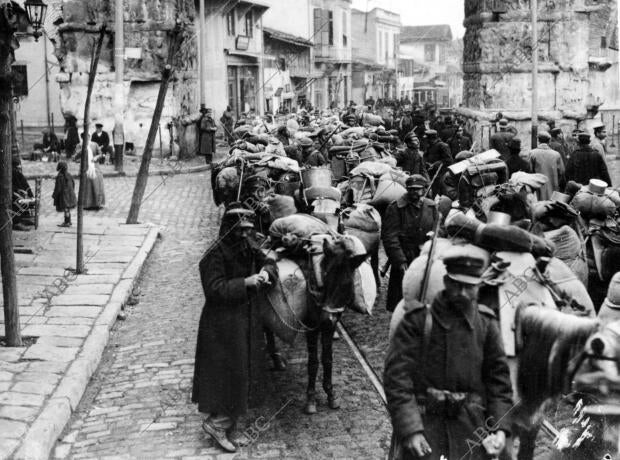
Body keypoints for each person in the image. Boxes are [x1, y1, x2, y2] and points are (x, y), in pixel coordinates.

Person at [384, 245, 513, 460]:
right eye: (457, 285)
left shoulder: (486, 325)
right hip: (426, 429)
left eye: (469, 286)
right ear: (446, 282)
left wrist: (499, 429)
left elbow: (499, 382)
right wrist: (411, 430)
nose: (462, 293)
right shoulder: (417, 322)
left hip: (471, 431)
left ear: (478, 287)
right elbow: (397, 379)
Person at [192, 205, 278, 453]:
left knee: (243, 374)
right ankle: (217, 424)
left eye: (247, 230)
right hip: (221, 326)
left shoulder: (246, 247)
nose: (244, 235)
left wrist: (265, 272)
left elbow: (269, 261)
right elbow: (215, 289)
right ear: (229, 229)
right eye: (239, 231)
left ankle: (229, 426)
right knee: (230, 375)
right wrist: (246, 282)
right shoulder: (213, 255)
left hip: (244, 321)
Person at [382, 175, 438, 312]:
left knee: (425, 294)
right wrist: (400, 261)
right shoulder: (396, 208)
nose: (415, 192)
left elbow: (438, 229)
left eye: (418, 189)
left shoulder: (431, 206)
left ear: (424, 190)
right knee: (402, 298)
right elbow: (390, 237)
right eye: (411, 189)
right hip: (404, 257)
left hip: (425, 257)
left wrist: (434, 237)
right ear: (407, 189)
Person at [527, 131, 565, 200]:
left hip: (538, 189)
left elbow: (529, 171)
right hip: (553, 190)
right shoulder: (556, 154)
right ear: (549, 141)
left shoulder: (532, 153)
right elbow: (562, 172)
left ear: (538, 140)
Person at [80, 134, 106, 210]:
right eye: (84, 137)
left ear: (89, 137)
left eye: (87, 136)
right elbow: (76, 156)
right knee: (87, 184)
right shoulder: (80, 145)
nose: (86, 138)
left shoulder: (94, 145)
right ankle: (87, 204)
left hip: (95, 167)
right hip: (85, 167)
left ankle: (98, 203)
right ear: (82, 138)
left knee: (97, 183)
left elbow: (100, 154)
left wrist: (96, 157)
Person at [424, 130, 453, 196]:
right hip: (432, 172)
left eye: (427, 139)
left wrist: (435, 164)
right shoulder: (430, 146)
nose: (426, 141)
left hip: (441, 172)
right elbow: (425, 156)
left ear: (431, 138)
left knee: (440, 190)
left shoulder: (443, 146)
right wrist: (426, 163)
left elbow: (449, 160)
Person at [52, 161, 77, 227]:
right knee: (67, 209)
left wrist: (54, 195)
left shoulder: (60, 177)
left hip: (64, 196)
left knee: (66, 209)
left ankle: (67, 222)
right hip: (70, 195)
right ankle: (69, 221)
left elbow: (58, 188)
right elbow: (73, 184)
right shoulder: (69, 175)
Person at [12, 161, 34, 231]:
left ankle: (25, 217)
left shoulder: (17, 173)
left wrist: (30, 195)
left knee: (21, 199)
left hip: (17, 192)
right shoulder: (14, 172)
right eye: (17, 166)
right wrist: (17, 192)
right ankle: (16, 223)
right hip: (11, 194)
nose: (19, 167)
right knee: (17, 200)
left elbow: (23, 185)